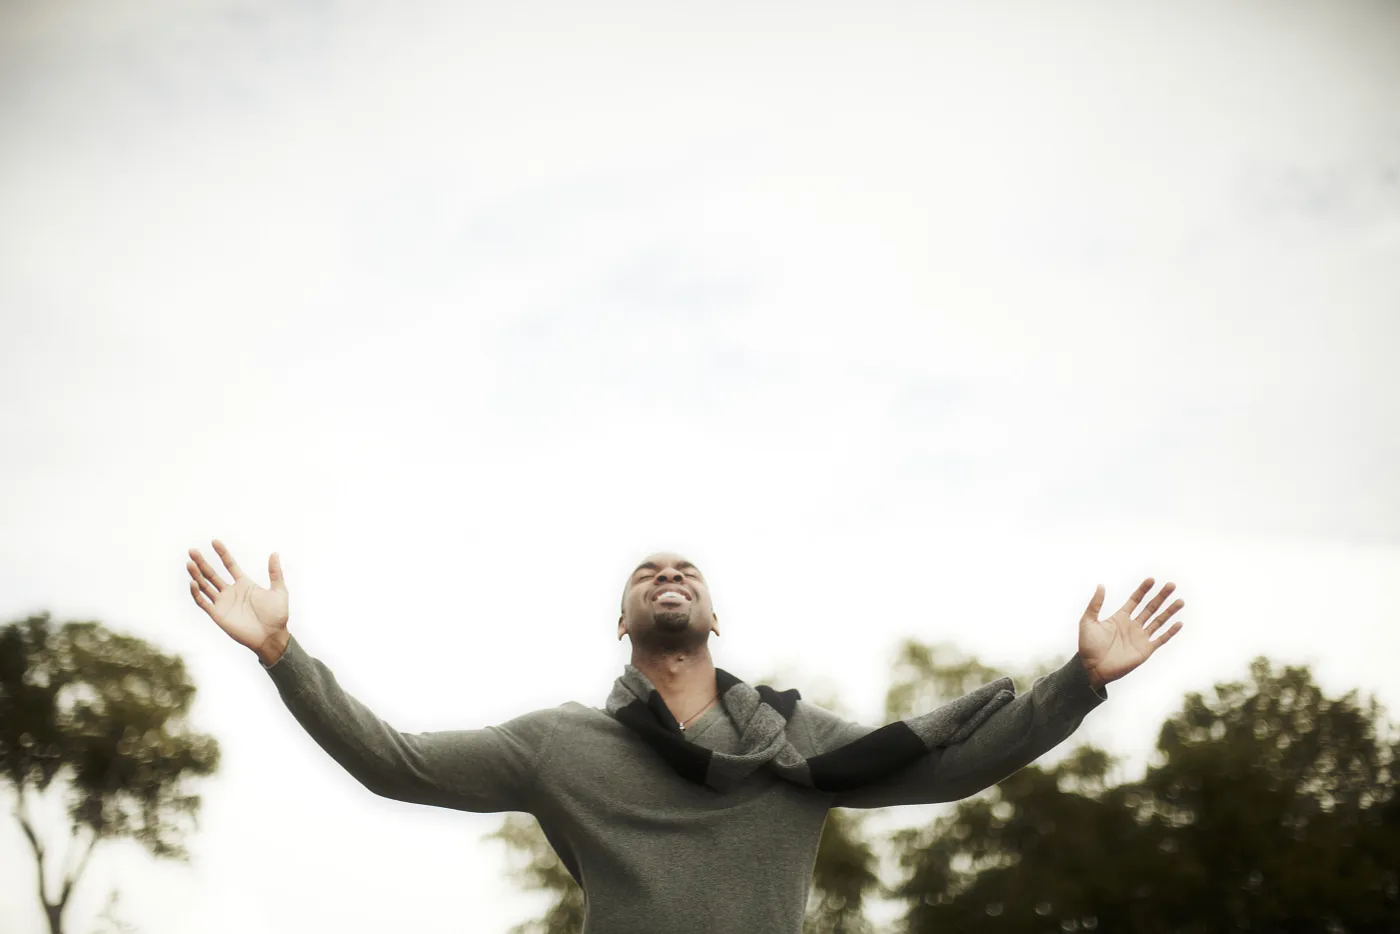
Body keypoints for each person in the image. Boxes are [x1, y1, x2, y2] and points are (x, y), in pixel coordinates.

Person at [186, 539, 1185, 934]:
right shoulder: (559, 745)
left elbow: (957, 765)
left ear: (715, 617)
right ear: (620, 622)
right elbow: (389, 761)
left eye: (686, 570)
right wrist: (282, 651)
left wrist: (1078, 681)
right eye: (645, 572)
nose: (668, 574)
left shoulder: (800, 746)